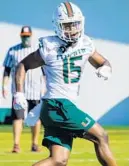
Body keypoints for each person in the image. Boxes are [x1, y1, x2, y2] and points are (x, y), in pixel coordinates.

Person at [13, 2, 117, 166]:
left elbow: (102, 61)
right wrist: (18, 93)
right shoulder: (49, 47)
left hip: (59, 107)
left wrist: (105, 68)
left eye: (74, 24)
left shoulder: (86, 43)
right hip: (59, 105)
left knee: (58, 160)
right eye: (67, 26)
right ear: (58, 26)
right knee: (101, 136)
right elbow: (22, 65)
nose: (72, 30)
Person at [2, 25, 46, 153]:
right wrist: (4, 86)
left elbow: (44, 71)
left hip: (35, 89)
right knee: (17, 117)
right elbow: (7, 70)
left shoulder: (37, 50)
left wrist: (45, 87)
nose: (25, 38)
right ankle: (16, 145)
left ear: (31, 36)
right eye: (23, 36)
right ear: (21, 36)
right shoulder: (13, 51)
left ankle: (35, 144)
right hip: (19, 90)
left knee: (36, 117)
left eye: (27, 36)